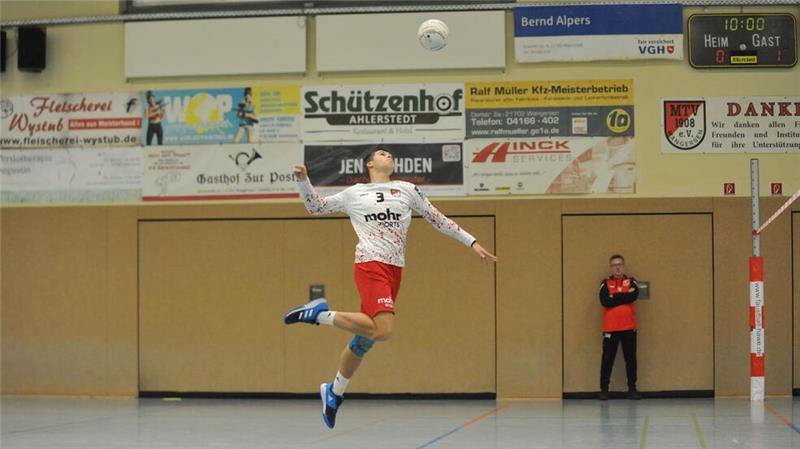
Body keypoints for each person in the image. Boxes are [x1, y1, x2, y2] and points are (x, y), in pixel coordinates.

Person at [283, 148, 497, 429]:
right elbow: (315, 207)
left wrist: (471, 242)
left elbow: (438, 219)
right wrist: (303, 180)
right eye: (382, 153)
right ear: (370, 163)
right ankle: (317, 314)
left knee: (364, 339)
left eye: (390, 154)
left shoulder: (406, 190)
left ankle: (334, 393)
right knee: (383, 330)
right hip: (371, 264)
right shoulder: (354, 193)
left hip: (395, 270)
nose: (389, 156)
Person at [598, 254, 641, 400]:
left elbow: (633, 296)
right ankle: (604, 390)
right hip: (610, 329)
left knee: (631, 359)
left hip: (629, 328)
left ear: (624, 266)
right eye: (614, 265)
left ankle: (632, 389)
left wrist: (614, 296)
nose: (617, 267)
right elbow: (605, 301)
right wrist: (623, 295)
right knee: (607, 360)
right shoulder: (605, 283)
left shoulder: (632, 281)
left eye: (620, 264)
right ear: (611, 267)